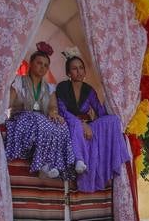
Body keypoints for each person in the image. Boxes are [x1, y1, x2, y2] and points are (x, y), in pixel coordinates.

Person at [55, 49, 130, 193]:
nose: (79, 71)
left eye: (81, 68)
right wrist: (82, 124)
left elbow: (100, 111)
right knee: (76, 123)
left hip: (87, 124)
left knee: (113, 120)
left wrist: (100, 127)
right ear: (68, 73)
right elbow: (63, 111)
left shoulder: (89, 90)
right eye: (74, 69)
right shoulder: (62, 87)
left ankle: (117, 158)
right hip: (69, 123)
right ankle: (79, 160)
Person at [5, 42, 75, 179]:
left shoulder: (49, 88)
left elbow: (53, 107)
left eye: (45, 65)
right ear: (31, 64)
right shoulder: (18, 81)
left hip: (40, 120)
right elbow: (9, 102)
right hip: (21, 118)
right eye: (39, 63)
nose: (42, 67)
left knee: (61, 125)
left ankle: (56, 165)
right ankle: (43, 163)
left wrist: (54, 114)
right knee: (38, 119)